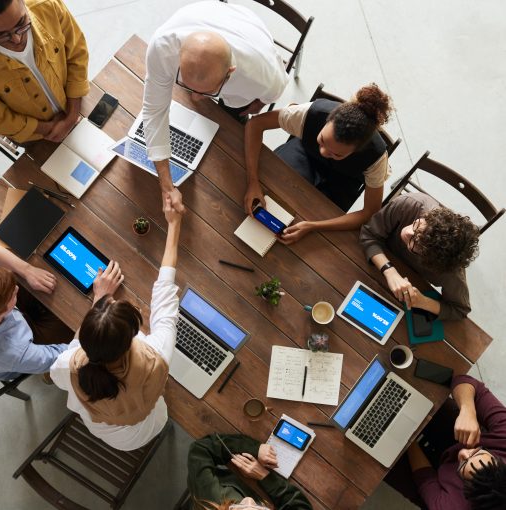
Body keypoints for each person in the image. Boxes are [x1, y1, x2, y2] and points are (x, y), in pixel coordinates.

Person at [50, 193, 183, 451]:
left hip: (112, 436)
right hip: (146, 427)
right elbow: (165, 293)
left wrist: (98, 298)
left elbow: (64, 368)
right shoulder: (155, 357)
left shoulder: (69, 364)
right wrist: (175, 223)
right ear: (132, 338)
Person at [143, 1, 288, 213]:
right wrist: (166, 184)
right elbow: (154, 111)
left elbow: (272, 93)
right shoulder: (162, 47)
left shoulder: (262, 77)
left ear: (230, 72)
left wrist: (258, 104)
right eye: (186, 84)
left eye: (204, 92)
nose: (194, 98)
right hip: (207, 14)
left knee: (234, 124)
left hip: (248, 31)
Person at [244, 83, 393, 244]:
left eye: (336, 153)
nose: (324, 152)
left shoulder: (375, 158)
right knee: (273, 188)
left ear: (356, 151)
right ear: (327, 120)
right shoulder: (310, 113)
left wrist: (312, 226)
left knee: (315, 221)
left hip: (344, 180)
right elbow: (255, 124)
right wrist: (252, 182)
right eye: (322, 140)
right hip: (304, 154)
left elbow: (370, 212)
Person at [386, 375, 506, 510]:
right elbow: (464, 381)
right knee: (424, 393)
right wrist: (468, 411)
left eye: (464, 463)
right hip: (455, 435)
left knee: (384, 459)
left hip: (436, 482)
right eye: (477, 451)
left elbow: (425, 477)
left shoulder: (451, 506)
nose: (464, 452)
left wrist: (406, 434)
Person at [359, 193, 480, 320]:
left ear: (430, 260)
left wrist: (423, 302)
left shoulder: (450, 271)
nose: (407, 232)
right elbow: (369, 234)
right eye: (417, 226)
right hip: (371, 263)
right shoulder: (409, 204)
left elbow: (460, 310)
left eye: (415, 242)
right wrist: (390, 271)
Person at [0, 0, 89, 143]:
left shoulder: (47, 5)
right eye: (0, 35)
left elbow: (77, 52)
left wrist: (71, 116)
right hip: (35, 137)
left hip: (77, 106)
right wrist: (48, 129)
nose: (16, 38)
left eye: (21, 23)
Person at [0, 244, 72, 380]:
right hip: (20, 351)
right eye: (13, 294)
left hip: (9, 319)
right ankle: (48, 374)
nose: (17, 289)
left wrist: (27, 270)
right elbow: (65, 357)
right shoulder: (14, 352)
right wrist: (99, 302)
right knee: (73, 325)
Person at [187, 434, 312, 509]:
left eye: (238, 508)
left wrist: (254, 448)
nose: (249, 500)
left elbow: (200, 450)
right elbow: (299, 506)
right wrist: (265, 476)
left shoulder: (210, 498)